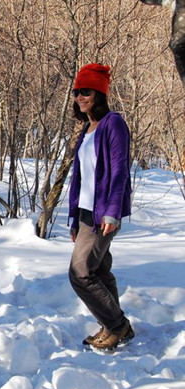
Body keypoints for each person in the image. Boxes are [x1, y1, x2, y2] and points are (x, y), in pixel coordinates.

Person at [68, 63, 135, 351]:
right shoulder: (87, 128)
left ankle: (118, 326)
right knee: (101, 271)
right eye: (76, 92)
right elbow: (81, 176)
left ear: (99, 93)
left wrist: (112, 210)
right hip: (85, 212)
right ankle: (113, 326)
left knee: (81, 273)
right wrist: (74, 217)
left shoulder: (113, 123)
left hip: (103, 212)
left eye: (85, 91)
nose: (80, 97)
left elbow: (119, 168)